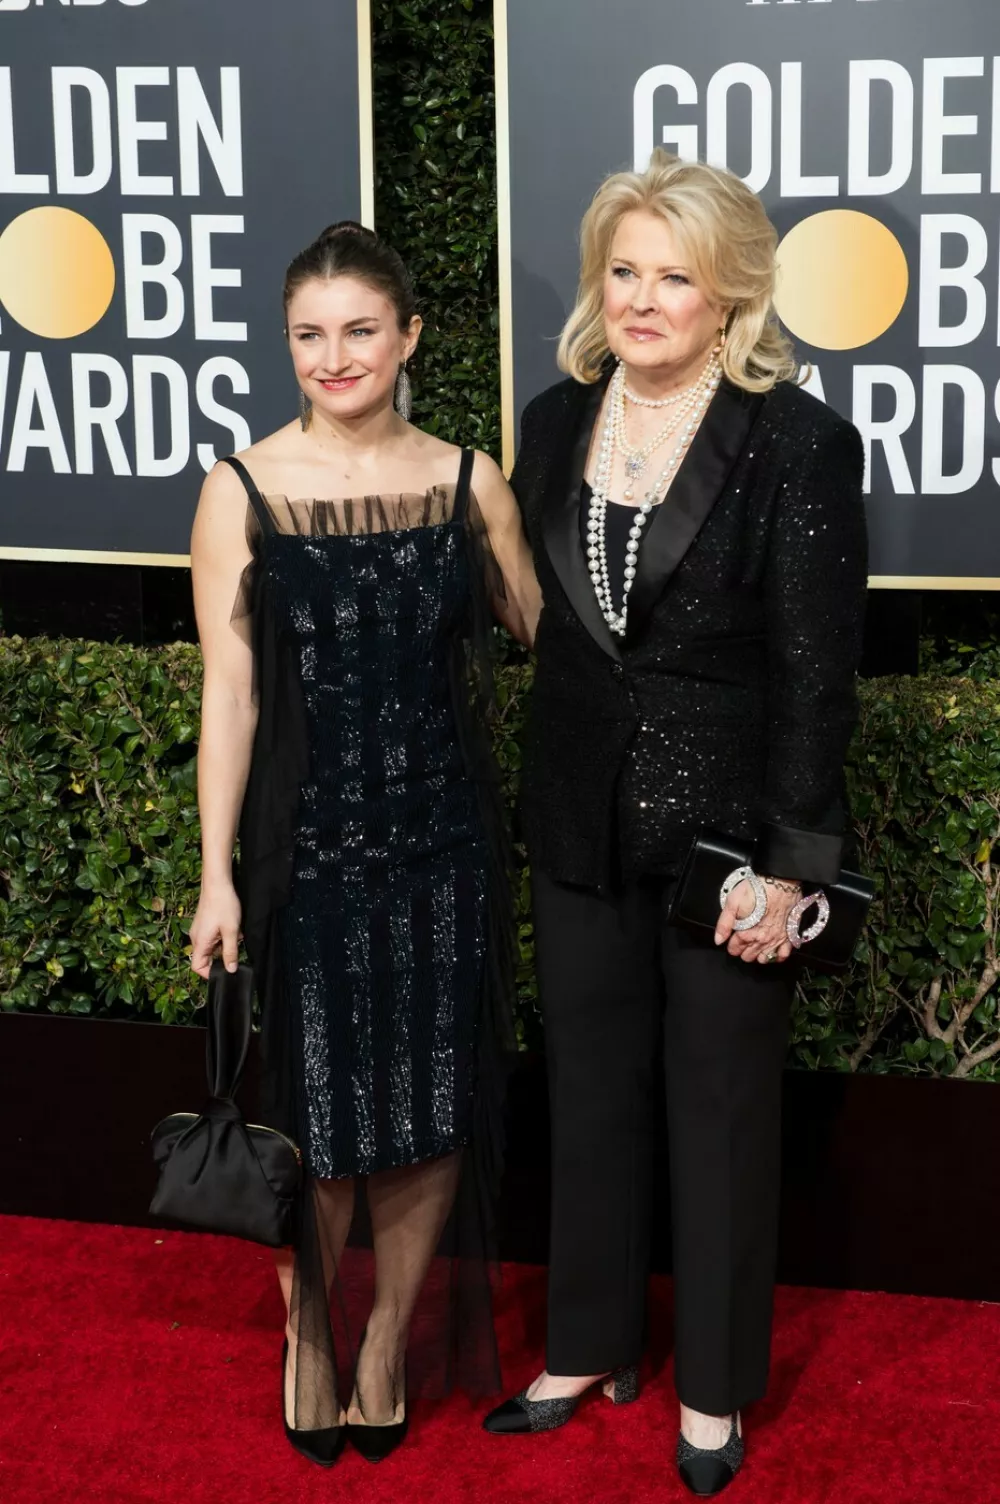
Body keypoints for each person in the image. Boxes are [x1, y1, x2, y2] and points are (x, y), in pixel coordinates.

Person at [482, 150, 868, 1497]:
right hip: (577, 821)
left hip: (731, 849)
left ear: (732, 296)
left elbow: (816, 678)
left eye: (675, 278)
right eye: (623, 272)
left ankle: (712, 1385)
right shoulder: (553, 421)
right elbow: (553, 627)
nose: (641, 301)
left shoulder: (797, 444)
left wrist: (792, 866)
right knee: (587, 1093)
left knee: (719, 1112)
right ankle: (588, 1345)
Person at [188, 221, 539, 1468]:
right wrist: (216, 873)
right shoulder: (239, 489)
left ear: (408, 338)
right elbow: (230, 695)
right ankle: (311, 1332)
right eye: (308, 334)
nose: (333, 357)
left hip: (442, 845)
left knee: (431, 1103)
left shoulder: (467, 482)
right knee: (322, 1109)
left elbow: (545, 631)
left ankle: (386, 1336)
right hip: (309, 853)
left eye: (359, 331)